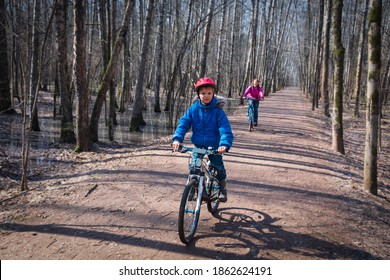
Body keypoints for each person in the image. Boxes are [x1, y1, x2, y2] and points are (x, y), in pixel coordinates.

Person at [172, 77, 234, 202]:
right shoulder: (193, 109)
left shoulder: (218, 112)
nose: (206, 96)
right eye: (203, 93)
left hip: (215, 147)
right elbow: (183, 123)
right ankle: (194, 188)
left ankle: (222, 188)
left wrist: (224, 144)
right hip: (199, 145)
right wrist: (177, 139)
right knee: (194, 167)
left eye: (209, 93)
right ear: (198, 94)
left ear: (213, 94)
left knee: (218, 167)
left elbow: (225, 130)